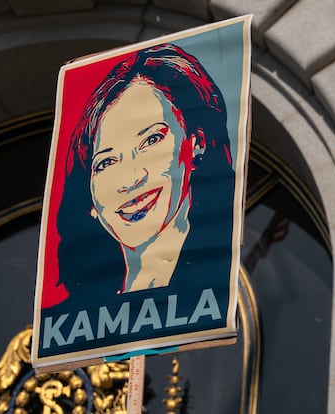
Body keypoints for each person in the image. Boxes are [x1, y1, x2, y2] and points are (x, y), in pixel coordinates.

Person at [51, 43, 235, 319]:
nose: (130, 179)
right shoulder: (70, 320)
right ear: (89, 197)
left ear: (196, 144)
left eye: (151, 140)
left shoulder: (228, 282)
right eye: (106, 162)